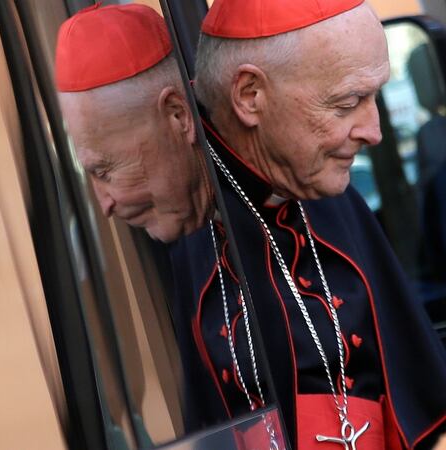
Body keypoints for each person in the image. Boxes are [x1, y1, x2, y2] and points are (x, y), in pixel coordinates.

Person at [171, 0, 446, 448]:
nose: (374, 131)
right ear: (249, 96)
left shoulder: (332, 190)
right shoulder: (181, 213)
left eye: (376, 96)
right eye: (349, 102)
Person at [55, 3, 213, 244]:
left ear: (177, 116)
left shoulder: (280, 184)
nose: (105, 206)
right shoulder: (185, 240)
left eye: (104, 172)